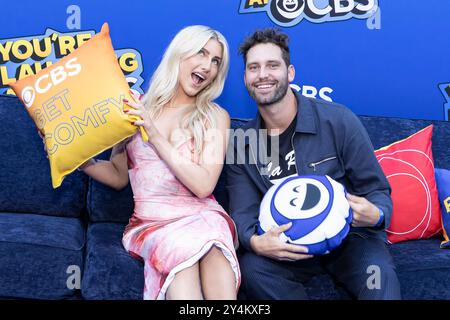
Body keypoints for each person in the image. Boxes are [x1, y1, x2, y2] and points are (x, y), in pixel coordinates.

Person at [226, 28, 401, 300]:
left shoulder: (339, 120)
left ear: (290, 72)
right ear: (246, 78)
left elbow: (377, 190)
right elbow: (243, 212)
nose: (262, 75)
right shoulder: (242, 143)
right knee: (252, 269)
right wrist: (255, 241)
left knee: (378, 277)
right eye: (253, 67)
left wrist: (376, 214)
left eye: (272, 65)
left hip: (350, 240)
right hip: (289, 246)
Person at [77, 26, 240, 300]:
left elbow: (203, 185)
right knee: (182, 258)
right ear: (179, 53)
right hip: (153, 222)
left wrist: (153, 133)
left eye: (216, 61)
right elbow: (118, 176)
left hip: (203, 215)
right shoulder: (135, 108)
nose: (208, 66)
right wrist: (79, 161)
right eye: (201, 53)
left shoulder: (215, 116)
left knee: (214, 245)